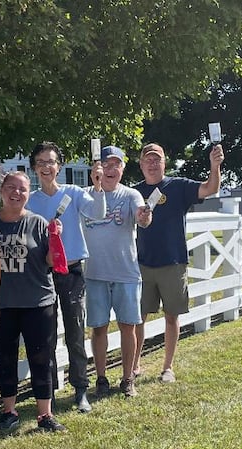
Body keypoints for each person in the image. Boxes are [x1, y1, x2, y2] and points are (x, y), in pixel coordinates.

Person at [133, 141, 224, 383]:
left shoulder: (179, 186)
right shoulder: (133, 192)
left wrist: (215, 166)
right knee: (137, 317)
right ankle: (134, 365)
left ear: (164, 163)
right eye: (148, 160)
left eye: (157, 159)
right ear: (141, 165)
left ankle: (167, 368)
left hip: (173, 263)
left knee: (172, 316)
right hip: (142, 264)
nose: (152, 164)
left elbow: (210, 188)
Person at [27, 142, 105, 413]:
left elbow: (98, 213)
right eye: (40, 162)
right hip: (43, 274)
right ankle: (47, 389)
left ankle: (80, 389)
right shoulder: (31, 201)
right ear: (34, 168)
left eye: (51, 162)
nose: (46, 167)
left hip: (71, 273)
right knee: (46, 334)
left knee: (75, 331)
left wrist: (97, 186)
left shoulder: (73, 194)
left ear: (59, 166)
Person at [0, 172, 65, 432]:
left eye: (22, 189)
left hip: (38, 301)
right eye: (10, 187)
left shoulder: (39, 223)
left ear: (28, 193)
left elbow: (50, 262)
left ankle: (45, 414)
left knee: (42, 358)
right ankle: (8, 410)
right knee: (6, 357)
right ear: (1, 191)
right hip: (4, 303)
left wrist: (56, 239)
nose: (16, 193)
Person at [82, 146, 152, 399]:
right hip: (94, 274)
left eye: (116, 165)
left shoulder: (131, 195)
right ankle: (101, 378)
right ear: (97, 167)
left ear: (123, 168)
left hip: (126, 274)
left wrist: (145, 216)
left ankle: (127, 378)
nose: (111, 170)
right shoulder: (85, 195)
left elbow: (142, 219)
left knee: (128, 327)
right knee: (98, 328)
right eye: (106, 164)